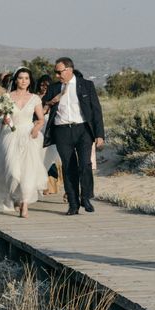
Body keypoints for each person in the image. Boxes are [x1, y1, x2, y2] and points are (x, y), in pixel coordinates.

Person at [42, 57, 105, 215]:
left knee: (85, 164)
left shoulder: (86, 85)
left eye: (59, 72)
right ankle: (73, 203)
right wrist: (50, 102)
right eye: (55, 72)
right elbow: (41, 109)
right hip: (62, 131)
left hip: (83, 129)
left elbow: (96, 111)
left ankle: (86, 197)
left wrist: (99, 135)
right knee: (68, 168)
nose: (57, 75)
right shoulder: (54, 88)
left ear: (69, 70)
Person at [0, 67, 47, 218]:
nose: (23, 81)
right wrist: (4, 120)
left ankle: (24, 203)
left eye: (26, 78)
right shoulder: (7, 97)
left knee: (27, 171)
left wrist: (36, 129)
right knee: (13, 171)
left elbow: (40, 119)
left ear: (30, 81)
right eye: (20, 78)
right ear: (15, 80)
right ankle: (14, 196)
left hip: (28, 135)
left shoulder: (35, 98)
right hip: (10, 135)